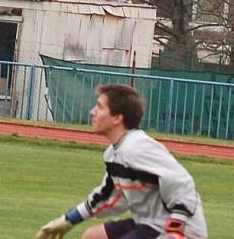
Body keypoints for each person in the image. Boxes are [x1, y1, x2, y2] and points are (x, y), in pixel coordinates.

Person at [36, 84, 207, 239]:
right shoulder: (114, 154)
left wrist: (176, 228)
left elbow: (182, 183)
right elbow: (106, 196)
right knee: (93, 237)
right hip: (149, 224)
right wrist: (68, 220)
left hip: (179, 229)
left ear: (117, 117)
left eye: (99, 107)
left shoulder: (138, 147)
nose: (92, 112)